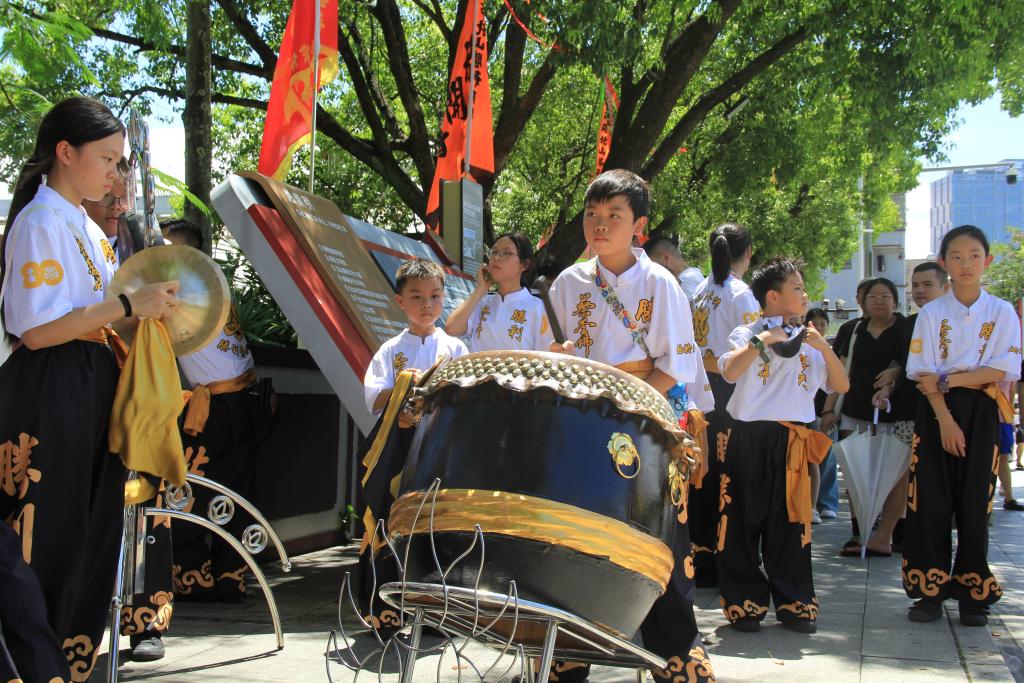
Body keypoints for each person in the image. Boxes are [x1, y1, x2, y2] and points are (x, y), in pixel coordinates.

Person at [0, 96, 178, 682]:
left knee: (88, 540)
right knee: (46, 537)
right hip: (52, 391)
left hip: (93, 385)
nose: (116, 173)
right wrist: (126, 304)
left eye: (122, 161)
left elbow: (102, 318)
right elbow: (35, 329)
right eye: (107, 158)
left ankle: (69, 665)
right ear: (65, 152)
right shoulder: (40, 221)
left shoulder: (86, 227)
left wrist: (155, 311)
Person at [547, 169, 713, 682]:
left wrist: (627, 401)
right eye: (592, 215)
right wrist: (557, 355)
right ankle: (567, 652)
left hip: (647, 415)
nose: (600, 225)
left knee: (660, 534)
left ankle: (677, 654)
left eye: (614, 215)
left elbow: (675, 366)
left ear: (638, 224)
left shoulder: (659, 283)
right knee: (574, 531)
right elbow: (553, 356)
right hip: (584, 418)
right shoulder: (567, 283)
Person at [716, 257, 848, 634]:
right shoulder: (748, 332)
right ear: (772, 297)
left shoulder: (810, 341)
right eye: (797, 288)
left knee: (791, 522)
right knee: (742, 521)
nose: (804, 294)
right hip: (748, 437)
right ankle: (744, 603)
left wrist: (824, 348)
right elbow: (729, 371)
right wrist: (765, 340)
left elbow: (841, 386)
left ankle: (795, 602)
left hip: (792, 439)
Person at [903, 225, 1022, 626]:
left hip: (983, 409)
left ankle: (973, 592)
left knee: (975, 503)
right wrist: (945, 418)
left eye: (974, 255)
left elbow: (1005, 367)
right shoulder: (932, 313)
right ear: (944, 262)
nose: (965, 264)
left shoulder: (1002, 311)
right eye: (956, 256)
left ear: (987, 261)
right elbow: (922, 373)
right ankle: (928, 591)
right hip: (935, 411)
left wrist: (951, 378)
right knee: (930, 501)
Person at [357, 258, 468, 628]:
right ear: (400, 301)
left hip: (441, 451)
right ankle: (384, 612)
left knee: (437, 527)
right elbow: (373, 399)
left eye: (435, 296)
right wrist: (406, 385)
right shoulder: (390, 351)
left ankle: (437, 615)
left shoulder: (455, 349)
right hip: (399, 451)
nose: (427, 305)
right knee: (390, 523)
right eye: (417, 296)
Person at [687, 222, 758, 586]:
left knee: (703, 473)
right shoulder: (740, 292)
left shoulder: (701, 289)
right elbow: (754, 349)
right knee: (729, 473)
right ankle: (727, 555)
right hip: (728, 390)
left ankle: (700, 556)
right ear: (747, 253)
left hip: (700, 389)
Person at [822, 278, 910, 557]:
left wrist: (893, 377)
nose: (879, 301)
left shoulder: (906, 328)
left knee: (895, 474)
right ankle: (860, 532)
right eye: (873, 296)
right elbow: (840, 371)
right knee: (857, 471)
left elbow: (909, 364)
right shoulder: (853, 329)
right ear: (863, 301)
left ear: (895, 301)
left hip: (896, 411)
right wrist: (828, 409)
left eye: (886, 296)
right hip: (855, 410)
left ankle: (887, 534)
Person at [445, 231, 552, 352]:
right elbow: (452, 328)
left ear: (524, 265)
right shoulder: (482, 302)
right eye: (494, 252)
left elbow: (544, 357)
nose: (496, 258)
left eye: (506, 253)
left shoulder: (538, 308)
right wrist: (481, 289)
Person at [806, 307, 839, 521]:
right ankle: (812, 505)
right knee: (811, 460)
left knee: (826, 457)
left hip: (822, 413)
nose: (819, 327)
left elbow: (838, 385)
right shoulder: (800, 346)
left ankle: (826, 502)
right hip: (805, 414)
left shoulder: (827, 350)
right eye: (814, 323)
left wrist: (829, 410)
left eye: (823, 324)